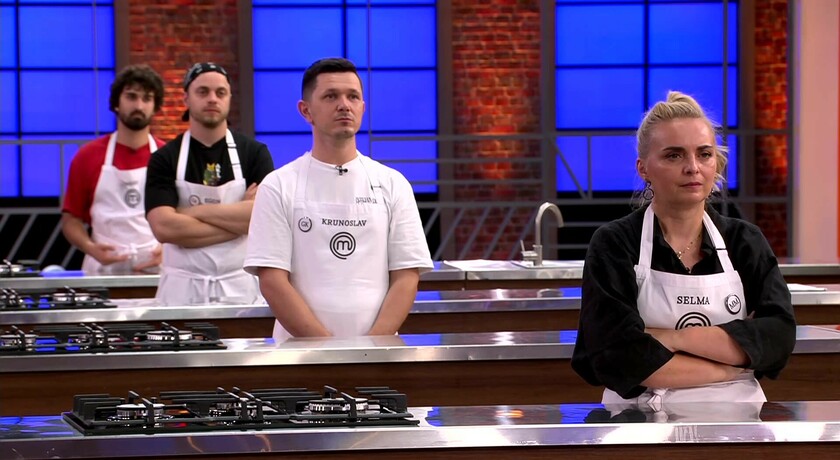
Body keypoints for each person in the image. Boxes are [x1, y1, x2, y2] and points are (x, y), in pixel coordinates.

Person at [571, 91, 796, 407]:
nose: (693, 167)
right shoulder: (614, 244)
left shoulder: (744, 241)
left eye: (704, 154)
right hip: (637, 420)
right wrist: (730, 366)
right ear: (643, 168)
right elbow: (615, 354)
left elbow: (777, 336)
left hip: (737, 418)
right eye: (673, 156)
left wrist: (670, 338)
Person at [244, 57, 433, 341]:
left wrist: (371, 348)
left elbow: (406, 276)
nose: (344, 105)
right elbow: (272, 280)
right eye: (331, 96)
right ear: (306, 111)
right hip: (301, 352)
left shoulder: (393, 184)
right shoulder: (278, 185)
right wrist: (326, 350)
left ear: (362, 108)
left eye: (353, 96)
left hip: (379, 353)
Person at [145, 62, 275, 305]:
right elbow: (164, 228)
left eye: (220, 92)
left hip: (240, 288)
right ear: (186, 98)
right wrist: (239, 221)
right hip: (182, 290)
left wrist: (190, 212)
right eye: (203, 92)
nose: (212, 99)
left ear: (229, 98)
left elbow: (263, 219)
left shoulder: (254, 153)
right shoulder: (164, 158)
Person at [62, 64, 166, 275]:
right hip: (102, 275)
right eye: (131, 97)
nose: (139, 105)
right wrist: (90, 247)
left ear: (155, 106)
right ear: (116, 103)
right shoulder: (87, 156)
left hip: (157, 275)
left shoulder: (168, 158)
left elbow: (183, 215)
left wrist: (170, 249)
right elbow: (70, 220)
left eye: (147, 98)